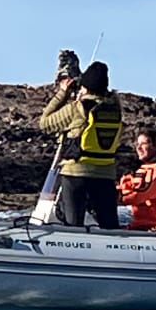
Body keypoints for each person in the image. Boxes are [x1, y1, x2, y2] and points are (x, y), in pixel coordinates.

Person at [38, 60, 123, 230]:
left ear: (85, 87)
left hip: (75, 172)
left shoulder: (76, 108)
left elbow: (45, 123)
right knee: (110, 225)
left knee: (74, 224)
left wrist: (62, 93)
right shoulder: (115, 109)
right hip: (106, 173)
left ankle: (73, 250)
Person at [118, 127, 156, 232]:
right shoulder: (144, 170)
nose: (138, 148)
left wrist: (108, 197)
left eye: (143, 144)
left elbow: (138, 196)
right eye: (137, 144)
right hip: (139, 228)